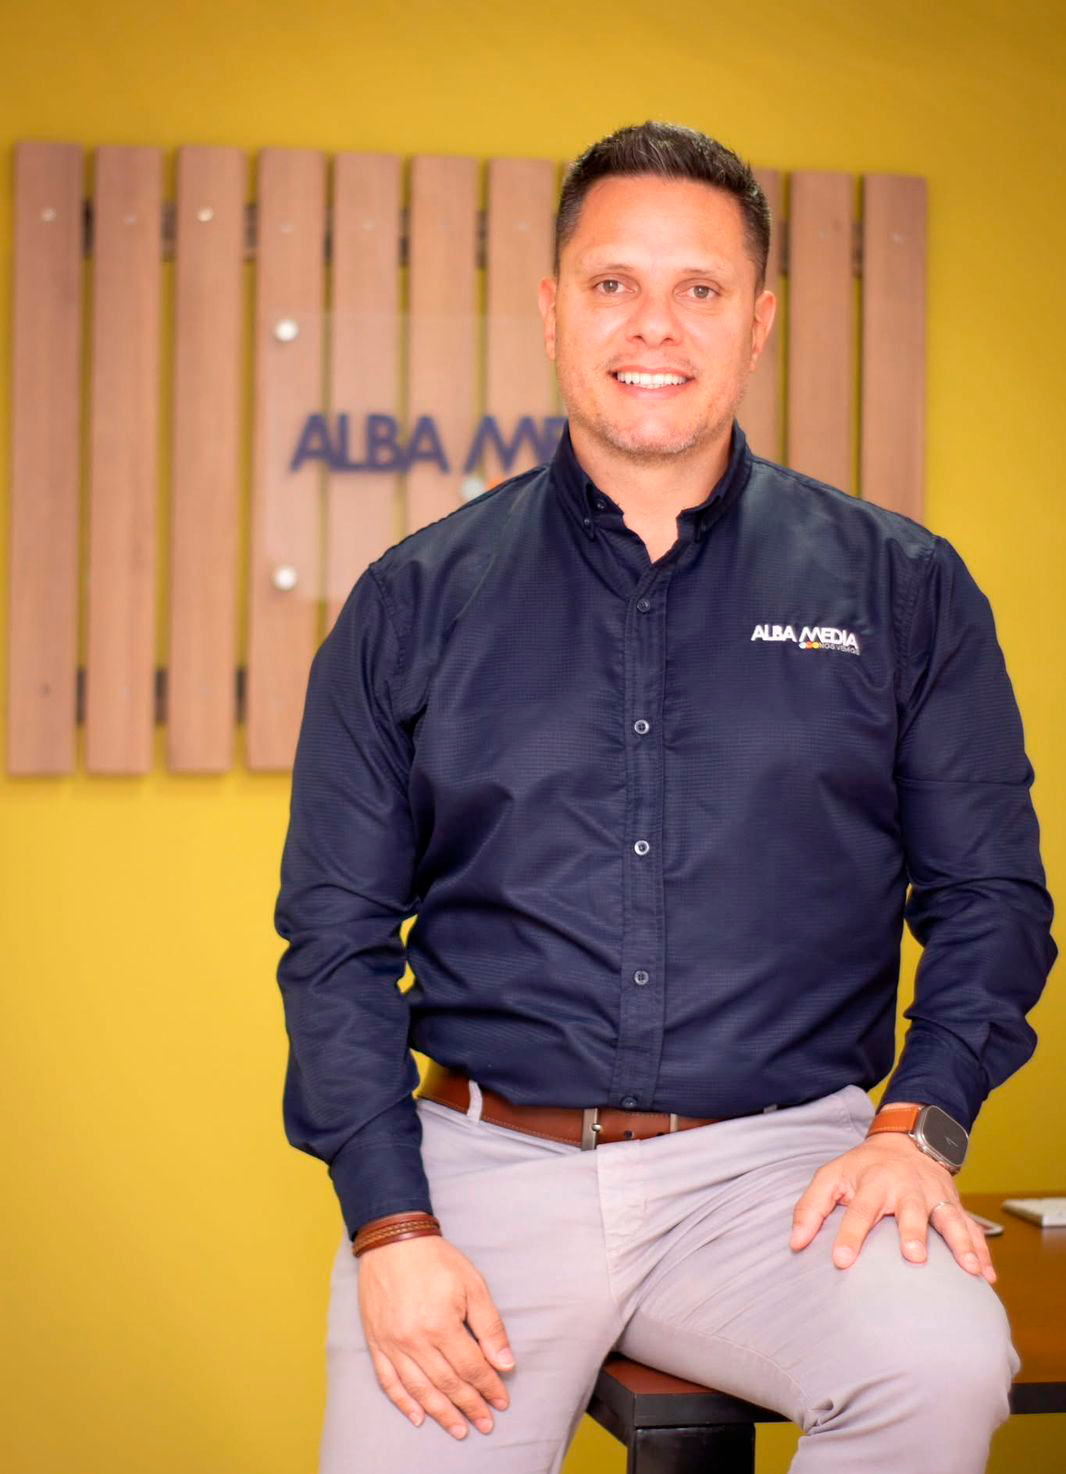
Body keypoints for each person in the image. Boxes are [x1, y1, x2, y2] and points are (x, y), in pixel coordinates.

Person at [273, 120, 1057, 1473]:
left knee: (939, 1366)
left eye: (699, 287)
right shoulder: (412, 600)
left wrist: (913, 1126)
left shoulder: (903, 588)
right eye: (613, 283)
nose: (655, 325)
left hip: (780, 1178)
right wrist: (393, 1226)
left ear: (758, 321)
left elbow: (990, 896)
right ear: (552, 312)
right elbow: (333, 942)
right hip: (482, 1182)